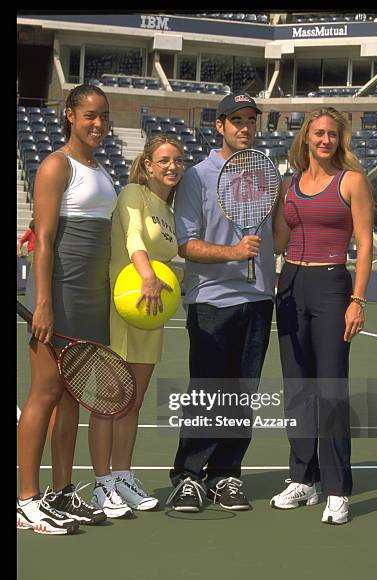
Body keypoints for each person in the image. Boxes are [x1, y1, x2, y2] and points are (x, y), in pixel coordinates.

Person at [166, 93, 275, 512]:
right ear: (220, 126)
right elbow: (186, 244)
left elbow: (279, 233)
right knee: (208, 392)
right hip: (211, 300)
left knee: (242, 394)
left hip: (258, 297)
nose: (245, 127)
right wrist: (233, 253)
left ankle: (227, 474)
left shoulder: (267, 175)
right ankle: (189, 476)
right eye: (237, 121)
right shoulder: (196, 176)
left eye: (251, 120)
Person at [17, 84, 117, 534]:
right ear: (70, 114)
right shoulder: (56, 165)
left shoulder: (99, 167)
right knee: (44, 393)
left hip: (93, 296)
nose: (98, 124)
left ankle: (60, 493)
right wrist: (43, 303)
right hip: (61, 293)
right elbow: (45, 240)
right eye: (89, 115)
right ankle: (25, 500)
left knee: (75, 395)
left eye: (103, 116)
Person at [270, 106, 373, 524]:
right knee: (298, 389)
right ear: (305, 138)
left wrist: (358, 299)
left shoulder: (352, 182)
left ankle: (336, 489)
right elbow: (279, 240)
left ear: (339, 139)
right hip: (290, 286)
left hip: (332, 287)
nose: (325, 140)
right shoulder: (287, 186)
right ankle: (303, 479)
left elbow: (364, 245)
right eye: (318, 133)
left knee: (330, 391)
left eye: (332, 133)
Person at [88, 135, 185, 518]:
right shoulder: (133, 193)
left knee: (133, 401)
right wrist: (145, 274)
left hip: (152, 313)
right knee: (109, 400)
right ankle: (101, 484)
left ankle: (124, 476)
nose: (172, 166)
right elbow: (131, 238)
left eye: (178, 160)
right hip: (123, 304)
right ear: (147, 165)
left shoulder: (171, 210)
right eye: (163, 160)